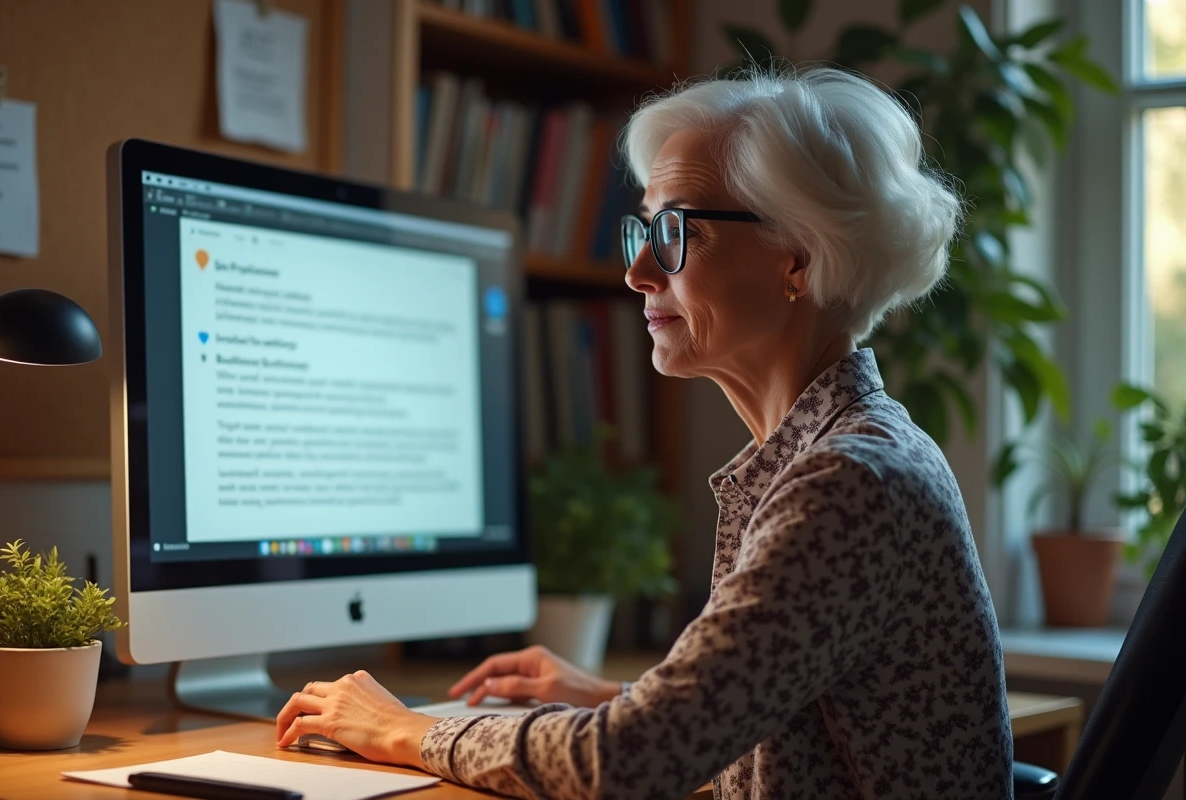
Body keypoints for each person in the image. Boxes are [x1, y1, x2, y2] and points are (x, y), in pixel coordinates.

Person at [275, 67, 1014, 799]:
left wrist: (404, 730)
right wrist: (614, 698)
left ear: (798, 258)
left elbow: (628, 763)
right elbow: (777, 726)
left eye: (673, 232)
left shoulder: (849, 483)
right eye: (644, 228)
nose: (635, 271)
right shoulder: (838, 453)